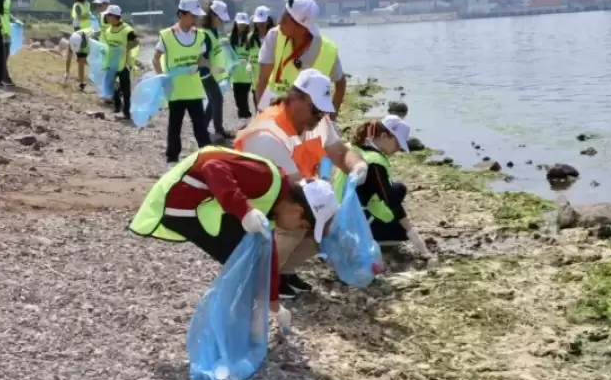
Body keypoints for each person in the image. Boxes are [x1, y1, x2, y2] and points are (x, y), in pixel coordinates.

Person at [129, 146, 340, 331]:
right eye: (302, 225)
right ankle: (231, 327)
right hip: (182, 201)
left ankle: (243, 321)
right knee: (243, 261)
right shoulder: (267, 179)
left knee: (251, 258)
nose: (297, 229)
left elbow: (269, 254)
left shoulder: (276, 207)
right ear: (297, 209)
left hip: (201, 203)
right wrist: (244, 210)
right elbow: (212, 167)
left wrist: (274, 303)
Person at [235, 68, 368, 298]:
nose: (320, 116)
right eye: (316, 109)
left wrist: (357, 166)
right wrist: (327, 214)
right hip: (252, 212)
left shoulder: (318, 122)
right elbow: (298, 191)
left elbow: (339, 152)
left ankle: (283, 271)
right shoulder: (268, 134)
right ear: (295, 98)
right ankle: (262, 278)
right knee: (307, 217)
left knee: (326, 219)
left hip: (292, 193)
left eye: (323, 111)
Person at [333, 115, 434, 263]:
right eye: (398, 143)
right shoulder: (374, 162)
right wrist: (416, 239)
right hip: (352, 222)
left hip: (340, 211)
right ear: (385, 136)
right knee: (400, 233)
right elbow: (392, 202)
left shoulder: (354, 148)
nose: (398, 149)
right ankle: (367, 238)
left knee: (399, 188)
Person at [255, 0, 347, 115]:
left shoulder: (328, 50)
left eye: (285, 19)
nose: (279, 22)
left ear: (301, 27)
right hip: (275, 111)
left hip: (309, 120)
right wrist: (263, 114)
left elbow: (341, 83)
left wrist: (332, 117)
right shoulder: (274, 36)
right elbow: (262, 80)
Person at [152, 0, 212, 168]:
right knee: (175, 127)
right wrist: (163, 80)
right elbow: (156, 59)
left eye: (197, 16)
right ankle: (172, 161)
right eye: (193, 16)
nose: (196, 19)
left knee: (200, 127)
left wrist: (201, 65)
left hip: (194, 89)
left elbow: (201, 59)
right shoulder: (166, 36)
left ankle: (208, 158)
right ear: (182, 14)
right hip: (175, 90)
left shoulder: (200, 36)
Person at [199, 0, 233, 141]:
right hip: (205, 74)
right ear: (213, 15)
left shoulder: (213, 32)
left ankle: (202, 129)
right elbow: (200, 59)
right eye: (220, 18)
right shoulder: (205, 35)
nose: (222, 22)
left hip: (211, 73)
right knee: (217, 99)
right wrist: (213, 68)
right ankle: (218, 131)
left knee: (214, 100)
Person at [101, 4, 138, 119]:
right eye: (106, 16)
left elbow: (135, 42)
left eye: (108, 15)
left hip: (124, 64)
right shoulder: (108, 31)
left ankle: (127, 112)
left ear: (115, 16)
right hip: (112, 63)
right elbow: (106, 45)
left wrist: (126, 47)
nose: (106, 18)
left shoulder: (127, 30)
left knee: (125, 89)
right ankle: (117, 107)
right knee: (113, 87)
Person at [247, 6, 275, 112]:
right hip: (256, 82)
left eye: (263, 22)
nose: (260, 25)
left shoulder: (274, 36)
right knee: (259, 110)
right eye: (258, 22)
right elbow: (248, 55)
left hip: (272, 83)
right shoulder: (250, 38)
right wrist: (248, 63)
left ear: (269, 21)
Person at [229, 12, 253, 127]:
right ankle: (244, 117)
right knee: (238, 98)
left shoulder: (251, 38)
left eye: (244, 24)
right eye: (240, 24)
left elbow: (253, 54)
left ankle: (245, 118)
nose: (242, 26)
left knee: (244, 97)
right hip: (235, 75)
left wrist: (247, 60)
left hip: (247, 75)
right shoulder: (231, 38)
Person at [64, 27, 99, 92]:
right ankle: (81, 83)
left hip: (91, 40)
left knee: (88, 61)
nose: (78, 52)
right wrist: (67, 72)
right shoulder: (71, 41)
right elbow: (68, 58)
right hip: (81, 40)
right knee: (81, 61)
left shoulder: (88, 40)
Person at [0, 0, 17, 86]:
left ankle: (3, 74)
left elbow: (7, 13)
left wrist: (14, 19)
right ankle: (4, 76)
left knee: (6, 53)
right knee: (2, 53)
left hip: (6, 28)